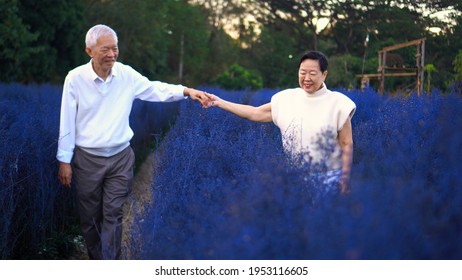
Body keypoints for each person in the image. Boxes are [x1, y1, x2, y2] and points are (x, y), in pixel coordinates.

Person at [57, 24, 210, 259]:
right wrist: (64, 160)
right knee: (89, 218)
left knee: (113, 213)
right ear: (89, 51)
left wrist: (187, 91)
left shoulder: (126, 74)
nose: (111, 55)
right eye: (105, 49)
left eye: (115, 49)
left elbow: (154, 89)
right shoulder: (75, 79)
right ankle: (96, 259)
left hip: (120, 157)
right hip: (87, 159)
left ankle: (112, 263)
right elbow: (66, 120)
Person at [207, 50, 356, 194]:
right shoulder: (287, 99)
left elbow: (346, 144)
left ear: (324, 75)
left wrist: (345, 179)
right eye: (303, 72)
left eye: (312, 73)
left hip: (329, 179)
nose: (307, 78)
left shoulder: (338, 103)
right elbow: (255, 112)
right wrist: (219, 102)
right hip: (295, 179)